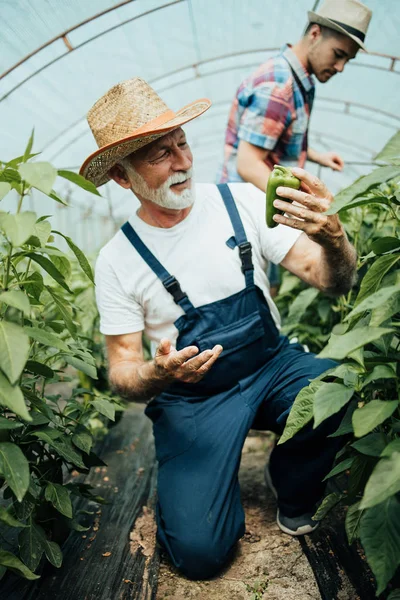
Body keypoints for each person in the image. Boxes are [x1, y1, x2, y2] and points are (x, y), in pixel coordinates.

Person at [80, 77, 357, 581]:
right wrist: (157, 373)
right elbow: (120, 370)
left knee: (338, 387)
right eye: (158, 154)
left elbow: (330, 280)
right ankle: (199, 498)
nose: (182, 161)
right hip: (194, 398)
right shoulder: (118, 260)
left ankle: (293, 487)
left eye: (181, 143)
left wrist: (335, 240)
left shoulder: (239, 203)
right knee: (201, 554)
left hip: (271, 366)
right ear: (122, 177)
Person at [218, 0, 373, 192]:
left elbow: (275, 138)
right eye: (338, 54)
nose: (340, 67)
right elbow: (248, 165)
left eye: (347, 60)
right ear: (315, 34)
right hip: (246, 207)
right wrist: (300, 201)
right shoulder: (279, 87)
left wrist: (317, 156)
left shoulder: (297, 80)